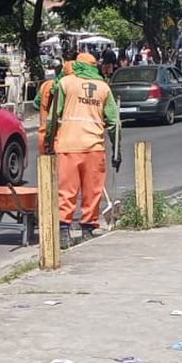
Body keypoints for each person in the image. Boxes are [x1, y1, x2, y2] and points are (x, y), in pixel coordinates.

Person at [44, 52, 120, 239]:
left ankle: (63, 231)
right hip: (94, 147)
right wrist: (117, 151)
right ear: (95, 66)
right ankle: (87, 229)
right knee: (92, 191)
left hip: (68, 146)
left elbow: (53, 117)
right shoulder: (104, 88)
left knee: (66, 191)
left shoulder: (65, 83)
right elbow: (114, 123)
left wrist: (48, 142)